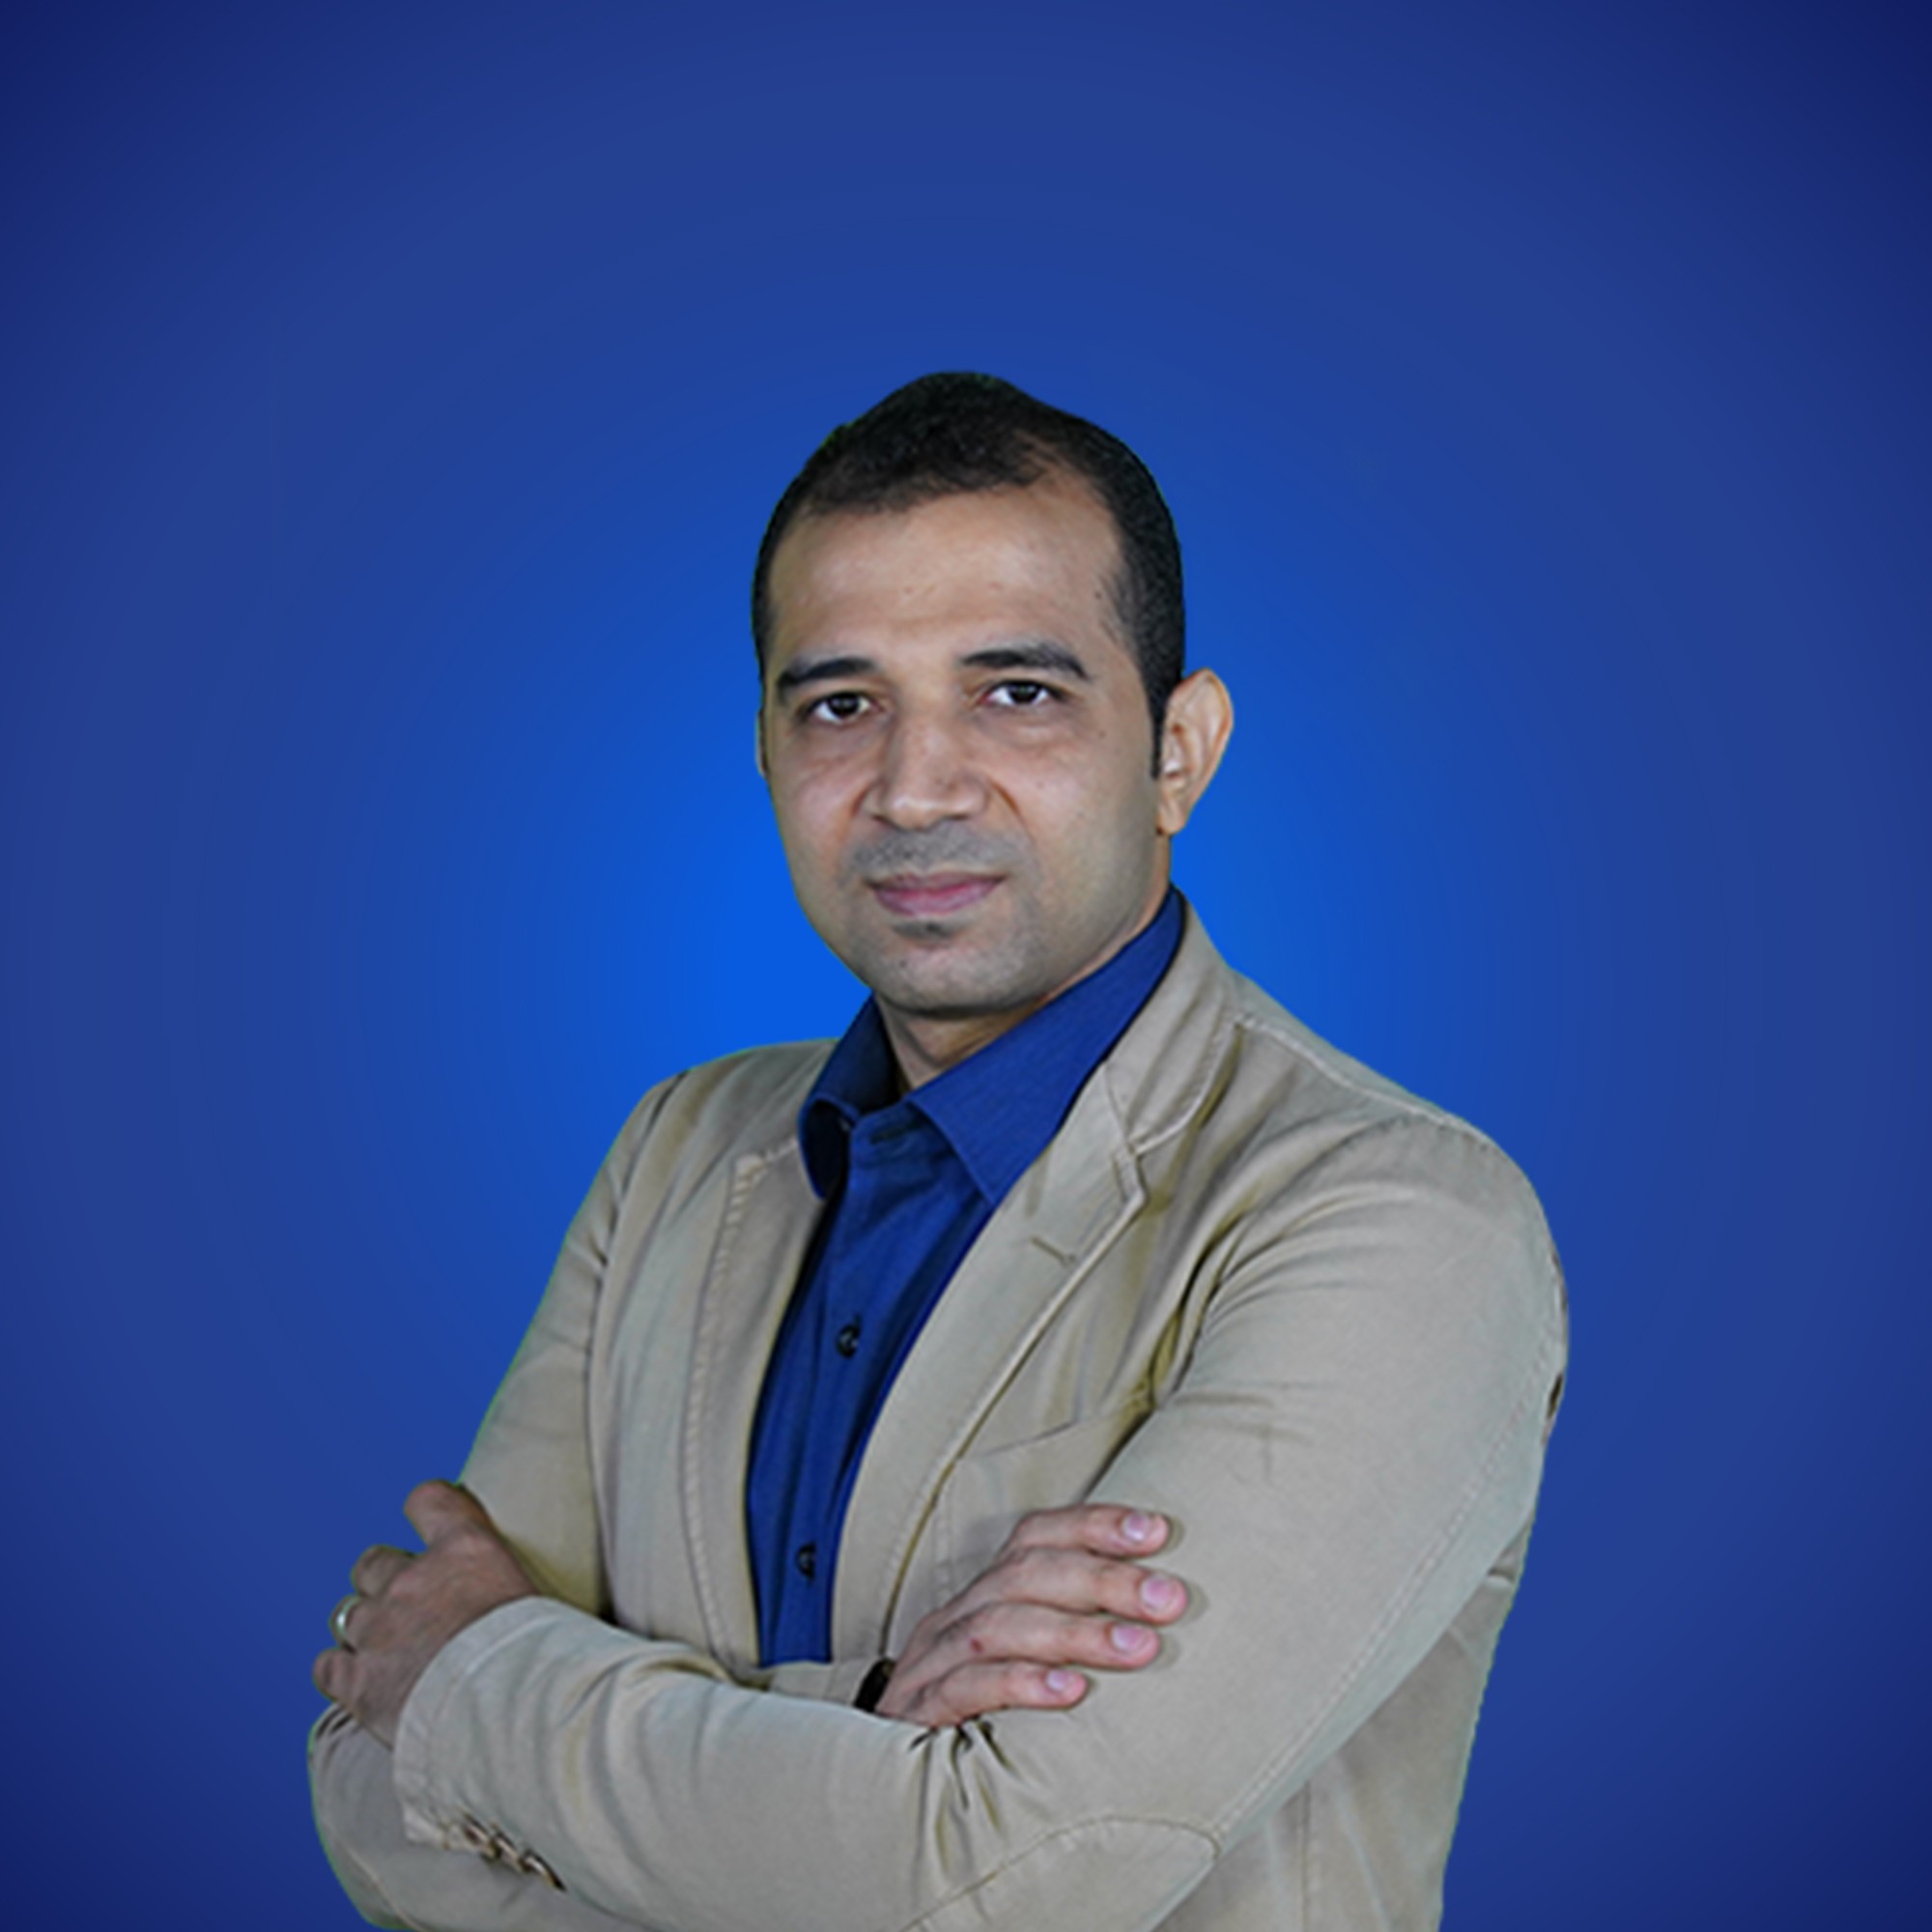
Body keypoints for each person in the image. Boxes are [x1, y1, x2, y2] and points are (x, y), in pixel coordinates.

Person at [310, 372, 1567, 1931]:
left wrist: (479, 1686)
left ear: (1179, 750)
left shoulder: (1397, 1220)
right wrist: (876, 1723)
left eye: (1017, 692)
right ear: (766, 752)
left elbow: (1001, 1878)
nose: (914, 789)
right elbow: (369, 1774)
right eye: (841, 706)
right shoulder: (676, 1149)